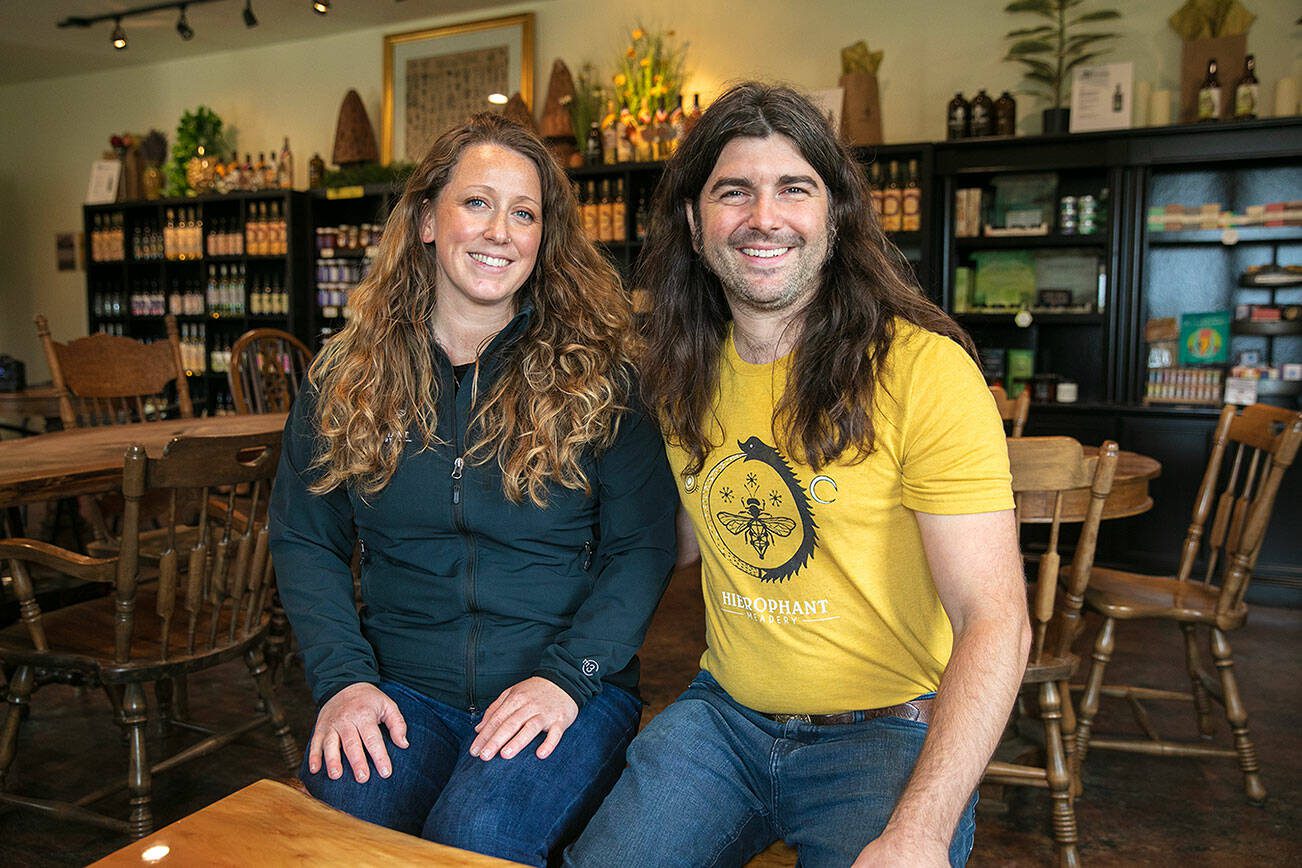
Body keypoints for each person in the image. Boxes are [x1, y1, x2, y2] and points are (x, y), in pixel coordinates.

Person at [567, 83, 1031, 867]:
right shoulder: (680, 369)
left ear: (836, 213)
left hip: (886, 727)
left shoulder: (921, 370)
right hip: (725, 718)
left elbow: (996, 620)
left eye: (794, 188)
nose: (764, 217)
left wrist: (916, 834)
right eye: (733, 192)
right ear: (694, 220)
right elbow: (667, 538)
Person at [268, 113, 677, 867]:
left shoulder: (602, 378)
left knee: (478, 835)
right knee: (342, 827)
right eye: (477, 203)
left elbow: (642, 545)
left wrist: (566, 679)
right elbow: (305, 538)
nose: (499, 231)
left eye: (524, 213)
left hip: (563, 686)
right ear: (427, 219)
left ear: (542, 241)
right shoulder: (345, 376)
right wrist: (344, 682)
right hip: (401, 687)